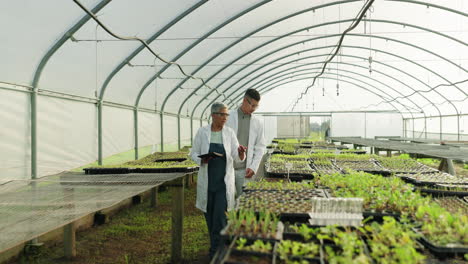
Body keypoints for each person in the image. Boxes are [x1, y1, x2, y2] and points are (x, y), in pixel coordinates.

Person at [190, 102, 246, 259]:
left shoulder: (229, 133)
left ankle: (217, 252)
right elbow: (193, 153)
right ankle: (216, 246)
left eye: (227, 115)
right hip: (207, 184)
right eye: (222, 114)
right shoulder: (202, 132)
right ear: (213, 115)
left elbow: (236, 156)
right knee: (209, 217)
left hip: (223, 184)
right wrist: (202, 160)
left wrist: (241, 153)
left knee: (220, 218)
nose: (225, 117)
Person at [225, 88, 266, 198]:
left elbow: (260, 147)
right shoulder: (227, 117)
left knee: (243, 201)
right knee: (226, 201)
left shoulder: (258, 122)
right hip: (227, 167)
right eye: (252, 105)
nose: (254, 109)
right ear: (244, 101)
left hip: (245, 170)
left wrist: (254, 167)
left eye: (256, 106)